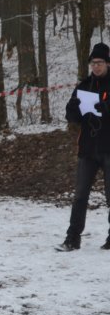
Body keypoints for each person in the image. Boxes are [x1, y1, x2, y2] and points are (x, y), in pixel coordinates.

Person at [57, 41, 110, 252]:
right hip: (87, 148)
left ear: (107, 63)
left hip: (108, 148)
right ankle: (72, 238)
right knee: (80, 196)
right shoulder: (84, 85)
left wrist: (105, 108)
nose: (96, 66)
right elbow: (71, 116)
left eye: (100, 63)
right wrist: (74, 109)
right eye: (93, 63)